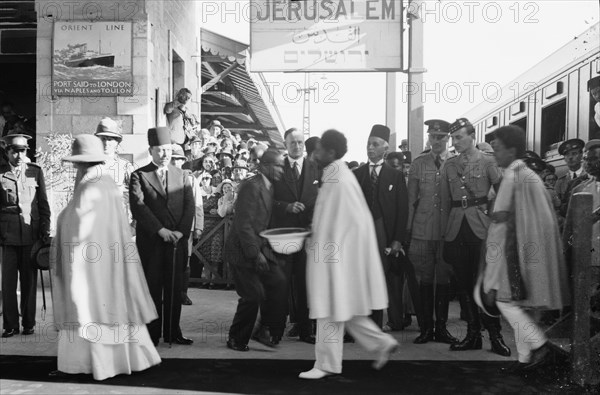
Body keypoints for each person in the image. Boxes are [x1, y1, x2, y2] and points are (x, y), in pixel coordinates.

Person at [50, 134, 160, 380]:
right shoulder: (107, 182)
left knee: (90, 310)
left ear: (81, 163)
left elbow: (78, 228)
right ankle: (127, 359)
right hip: (110, 261)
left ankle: (92, 364)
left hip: (89, 265)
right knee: (114, 309)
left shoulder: (89, 186)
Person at [299, 129, 398, 380]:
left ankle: (326, 364)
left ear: (330, 152)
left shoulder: (337, 178)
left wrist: (317, 244)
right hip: (341, 256)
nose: (315, 152)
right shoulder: (339, 174)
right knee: (347, 309)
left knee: (331, 308)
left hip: (334, 257)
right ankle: (381, 343)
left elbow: (334, 223)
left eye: (319, 148)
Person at [481, 125, 568, 371]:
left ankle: (541, 346)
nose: (494, 153)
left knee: (506, 302)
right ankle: (524, 359)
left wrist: (491, 263)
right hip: (535, 254)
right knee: (524, 309)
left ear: (511, 150)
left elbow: (500, 219)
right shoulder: (528, 173)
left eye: (497, 148)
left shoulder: (511, 174)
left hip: (515, 253)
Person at [441, 118, 510, 356]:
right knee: (463, 285)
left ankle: (495, 336)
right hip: (456, 230)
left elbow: (503, 194)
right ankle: (472, 336)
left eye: (459, 137)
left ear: (472, 136)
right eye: (453, 138)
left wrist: (493, 218)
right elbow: (443, 202)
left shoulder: (488, 161)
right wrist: (443, 233)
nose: (455, 142)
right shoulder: (449, 165)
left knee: (486, 285)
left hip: (481, 228)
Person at [129, 127, 195, 346]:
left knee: (175, 289)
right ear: (151, 151)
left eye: (167, 150)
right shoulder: (139, 175)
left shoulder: (183, 175)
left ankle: (172, 332)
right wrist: (161, 230)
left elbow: (189, 207)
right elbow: (139, 207)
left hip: (177, 242)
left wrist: (179, 232)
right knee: (153, 288)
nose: (164, 154)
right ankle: (152, 334)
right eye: (159, 150)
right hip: (152, 243)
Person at [224, 150, 287, 352]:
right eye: (278, 166)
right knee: (252, 296)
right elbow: (244, 225)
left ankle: (263, 330)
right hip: (242, 250)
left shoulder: (270, 187)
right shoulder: (251, 186)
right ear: (265, 166)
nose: (281, 170)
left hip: (259, 248)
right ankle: (236, 338)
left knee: (278, 281)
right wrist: (256, 254)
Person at [407, 119, 459, 345]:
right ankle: (426, 328)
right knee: (425, 279)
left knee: (444, 278)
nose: (437, 141)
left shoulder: (456, 163)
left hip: (449, 230)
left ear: (448, 139)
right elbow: (411, 201)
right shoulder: (419, 163)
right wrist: (408, 230)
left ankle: (442, 329)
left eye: (441, 137)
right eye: (433, 137)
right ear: (428, 138)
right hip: (423, 230)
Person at [353, 124, 408, 331]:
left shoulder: (395, 176)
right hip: (361, 236)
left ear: (385, 148)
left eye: (375, 144)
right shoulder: (357, 174)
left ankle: (381, 323)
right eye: (368, 144)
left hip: (384, 235)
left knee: (383, 277)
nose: (370, 148)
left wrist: (397, 240)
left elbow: (402, 211)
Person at [271, 127, 320, 344]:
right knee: (280, 284)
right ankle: (276, 330)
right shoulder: (276, 169)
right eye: (293, 143)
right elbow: (267, 201)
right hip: (283, 234)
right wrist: (286, 207)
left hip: (307, 235)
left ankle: (305, 330)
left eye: (300, 142)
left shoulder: (315, 167)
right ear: (285, 144)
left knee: (305, 284)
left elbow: (322, 200)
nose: (298, 146)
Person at [0, 134, 50, 337]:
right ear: (7, 152)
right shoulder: (1, 174)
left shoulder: (35, 172)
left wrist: (45, 230)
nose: (20, 155)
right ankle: (10, 325)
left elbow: (43, 204)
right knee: (9, 283)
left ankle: (29, 323)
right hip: (7, 235)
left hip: (31, 234)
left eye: (23, 151)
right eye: (15, 151)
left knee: (29, 282)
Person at [170, 145, 203, 306]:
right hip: (168, 227)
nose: (176, 162)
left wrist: (198, 226)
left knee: (185, 261)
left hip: (186, 227)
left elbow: (197, 204)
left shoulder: (190, 179)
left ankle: (183, 292)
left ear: (183, 161)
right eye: (173, 159)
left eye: (179, 159)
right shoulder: (162, 176)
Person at [94, 117, 134, 223]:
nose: (106, 143)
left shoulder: (125, 167)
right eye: (103, 139)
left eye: (110, 139)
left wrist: (134, 225)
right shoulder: (90, 167)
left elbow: (136, 197)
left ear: (116, 142)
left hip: (118, 221)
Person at [555, 139, 585, 205]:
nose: (570, 157)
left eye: (574, 154)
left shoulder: (590, 177)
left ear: (581, 155)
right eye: (567, 155)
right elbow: (557, 207)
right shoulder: (560, 182)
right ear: (564, 159)